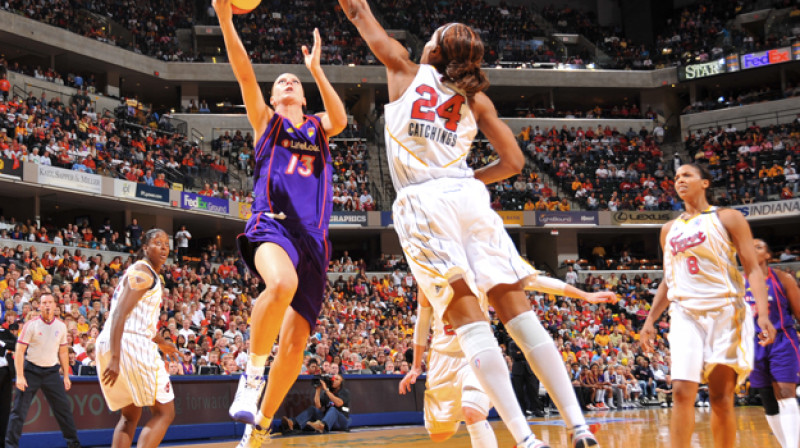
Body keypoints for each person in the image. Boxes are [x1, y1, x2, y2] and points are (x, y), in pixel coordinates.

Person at [339, 3, 598, 447]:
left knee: (471, 324)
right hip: (470, 199)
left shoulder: (403, 67)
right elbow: (514, 162)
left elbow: (359, 11)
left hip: (424, 202)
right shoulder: (476, 99)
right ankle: (578, 426)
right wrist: (469, 178)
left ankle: (525, 439)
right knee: (520, 315)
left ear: (435, 49)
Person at [214, 0, 347, 446]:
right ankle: (251, 374)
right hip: (271, 223)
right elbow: (244, 70)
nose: (287, 82)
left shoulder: (318, 127)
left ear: (303, 95)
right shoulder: (266, 123)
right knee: (280, 284)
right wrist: (226, 19)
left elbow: (341, 117)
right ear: (272, 98)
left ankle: (260, 426)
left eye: (294, 81)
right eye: (281, 82)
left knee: (293, 347)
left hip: (315, 241)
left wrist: (316, 69)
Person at [641, 163, 776, 448]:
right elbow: (669, 279)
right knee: (680, 392)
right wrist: (650, 319)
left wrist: (763, 313)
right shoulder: (669, 229)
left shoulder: (728, 217)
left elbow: (752, 268)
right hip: (684, 313)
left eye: (687, 175)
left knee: (721, 396)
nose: (680, 180)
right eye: (676, 177)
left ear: (705, 183)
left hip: (725, 311)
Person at [400, 286, 613, 448]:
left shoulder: (475, 263)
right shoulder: (426, 269)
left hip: (476, 350)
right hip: (442, 358)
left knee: (472, 412)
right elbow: (422, 320)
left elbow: (529, 280)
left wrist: (583, 295)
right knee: (439, 434)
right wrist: (416, 366)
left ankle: (552, 433)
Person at [96, 229, 178, 448]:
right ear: (145, 247)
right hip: (127, 344)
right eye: (157, 242)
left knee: (130, 415)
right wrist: (115, 357)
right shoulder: (143, 272)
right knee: (165, 411)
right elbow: (120, 313)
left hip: (117, 340)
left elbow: (138, 319)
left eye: (166, 243)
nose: (163, 247)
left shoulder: (143, 272)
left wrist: (161, 342)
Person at [5, 294, 81, 448]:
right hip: (31, 371)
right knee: (19, 411)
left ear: (55, 306)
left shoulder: (60, 326)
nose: (47, 305)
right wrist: (20, 376)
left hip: (52, 372)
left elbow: (63, 352)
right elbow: (19, 351)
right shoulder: (30, 325)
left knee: (64, 411)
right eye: (44, 302)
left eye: (50, 302)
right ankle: (10, 445)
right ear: (39, 306)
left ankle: (74, 444)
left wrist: (66, 375)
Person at [745, 239, 800, 448]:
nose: (752, 249)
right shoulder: (739, 282)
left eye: (758, 246)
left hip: (782, 340)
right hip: (754, 343)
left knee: (785, 393)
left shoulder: (783, 279)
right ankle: (787, 444)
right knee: (768, 400)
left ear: (768, 255)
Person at [280, 374, 350, 434]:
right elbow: (318, 406)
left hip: (341, 422)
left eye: (337, 379)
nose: (334, 380)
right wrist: (318, 390)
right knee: (312, 409)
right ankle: (293, 423)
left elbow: (339, 403)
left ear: (341, 383)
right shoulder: (327, 393)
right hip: (329, 422)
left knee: (332, 409)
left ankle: (321, 425)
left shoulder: (344, 392)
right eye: (333, 379)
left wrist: (326, 389)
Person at [0, 322, 17, 448]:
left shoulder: (5, 332)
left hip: (6, 372)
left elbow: (17, 344)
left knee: (5, 409)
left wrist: (4, 344)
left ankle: (2, 442)